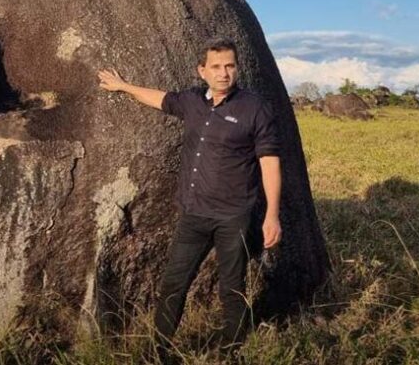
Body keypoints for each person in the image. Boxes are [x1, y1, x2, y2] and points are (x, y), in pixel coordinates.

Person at [97, 38, 283, 355]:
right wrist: (123, 86)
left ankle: (231, 350)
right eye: (216, 66)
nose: (224, 73)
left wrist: (272, 215)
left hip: (233, 215)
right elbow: (160, 99)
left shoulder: (255, 108)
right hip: (193, 214)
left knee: (232, 288)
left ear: (236, 68)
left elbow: (269, 163)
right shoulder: (192, 101)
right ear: (202, 71)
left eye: (229, 66)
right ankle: (160, 351)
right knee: (174, 283)